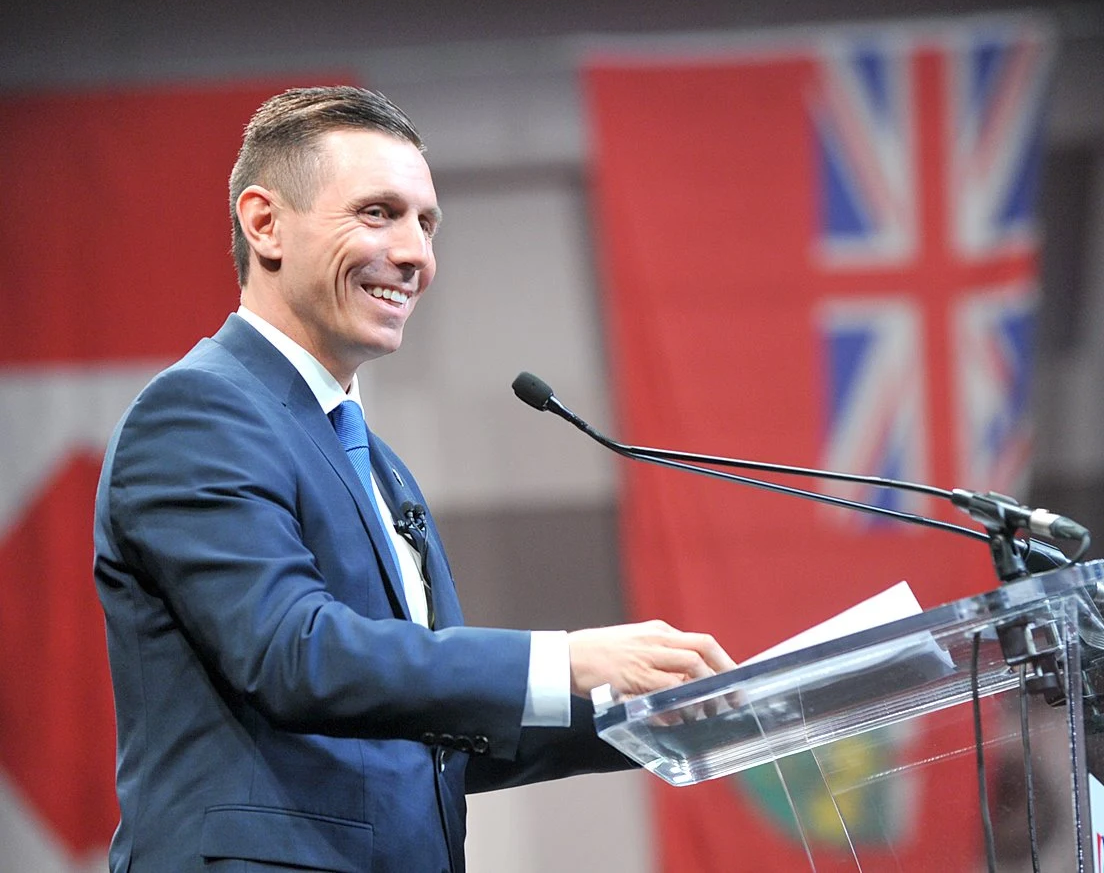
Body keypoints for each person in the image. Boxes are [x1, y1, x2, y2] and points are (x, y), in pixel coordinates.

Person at [92, 86, 734, 873]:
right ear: (264, 224)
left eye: (426, 224)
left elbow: (430, 732)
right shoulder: (198, 413)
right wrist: (563, 660)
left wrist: (660, 718)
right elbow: (293, 655)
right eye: (378, 213)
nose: (415, 256)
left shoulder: (377, 463)